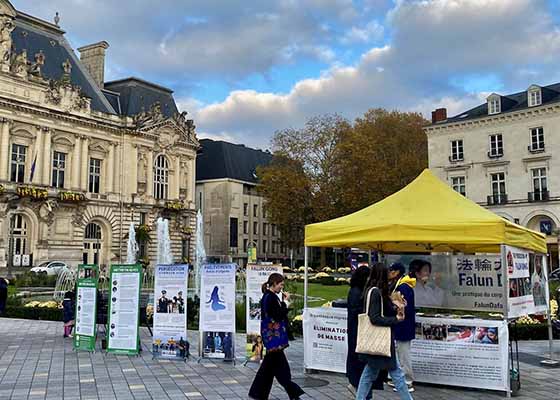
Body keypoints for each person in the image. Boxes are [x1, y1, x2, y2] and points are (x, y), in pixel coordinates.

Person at [356, 263, 413, 400]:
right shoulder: (376, 292)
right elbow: (375, 318)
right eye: (387, 272)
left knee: (370, 373)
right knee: (396, 373)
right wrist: (395, 319)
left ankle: (360, 398)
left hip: (377, 340)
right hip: (382, 339)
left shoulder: (372, 290)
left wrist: (395, 305)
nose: (389, 275)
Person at [249, 273, 305, 400]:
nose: (282, 287)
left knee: (268, 369)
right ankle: (293, 393)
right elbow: (277, 315)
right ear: (274, 283)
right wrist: (286, 303)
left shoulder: (270, 296)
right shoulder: (270, 297)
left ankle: (258, 393)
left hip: (272, 339)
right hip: (274, 339)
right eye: (281, 284)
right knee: (281, 370)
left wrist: (282, 303)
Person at [346, 265, 383, 398]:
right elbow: (357, 312)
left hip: (356, 332)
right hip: (358, 332)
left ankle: (360, 389)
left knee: (361, 365)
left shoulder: (357, 290)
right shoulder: (357, 292)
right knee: (360, 364)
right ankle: (359, 388)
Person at [389, 263, 416, 393]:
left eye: (391, 271)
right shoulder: (401, 285)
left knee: (404, 355)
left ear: (397, 272)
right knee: (400, 353)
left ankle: (407, 382)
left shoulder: (403, 287)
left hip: (404, 326)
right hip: (401, 325)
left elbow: (405, 307)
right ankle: (399, 378)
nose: (389, 273)